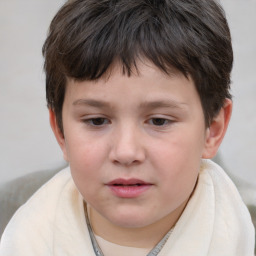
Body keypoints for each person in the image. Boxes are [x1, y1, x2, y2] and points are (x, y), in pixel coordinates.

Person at [0, 0, 255, 255]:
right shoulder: (13, 224)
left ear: (213, 128)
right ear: (60, 131)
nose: (125, 152)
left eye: (159, 121)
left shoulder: (247, 232)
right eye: (97, 121)